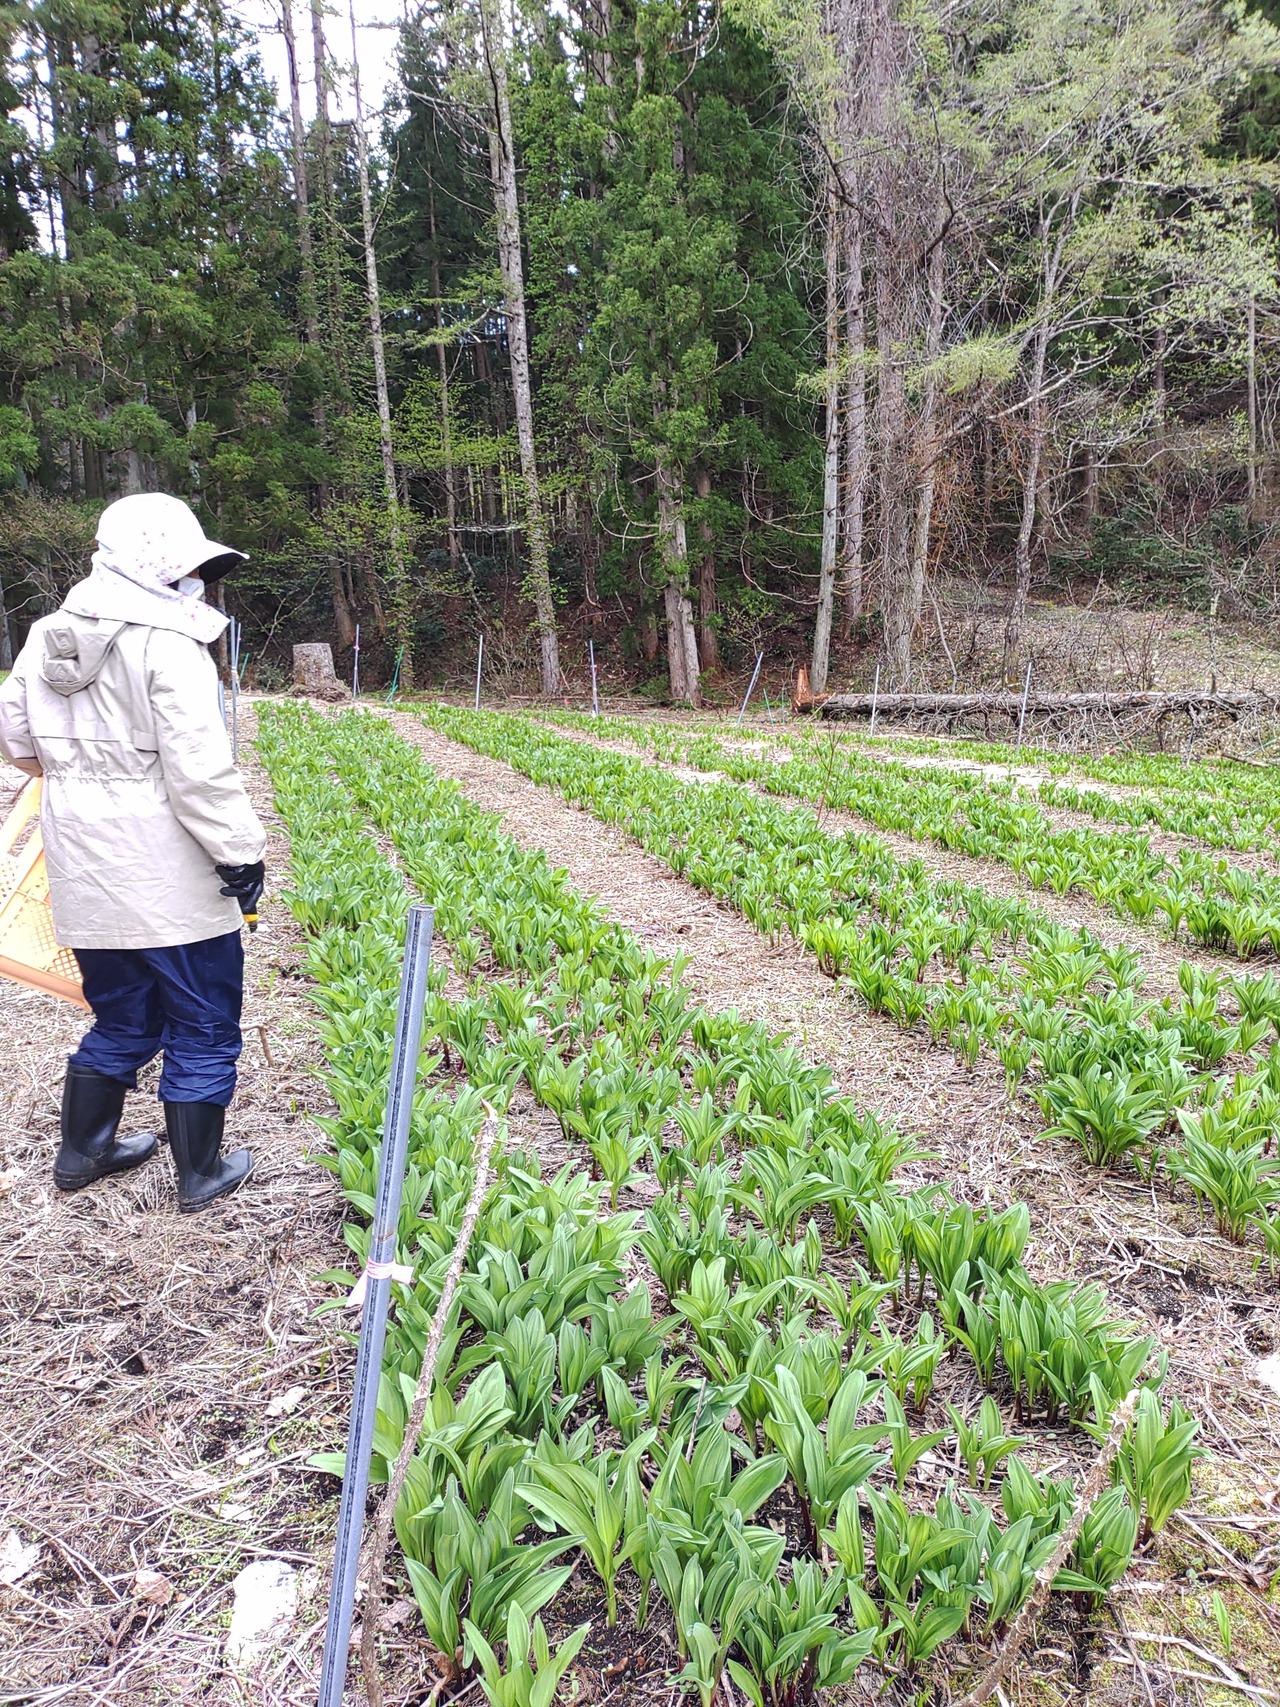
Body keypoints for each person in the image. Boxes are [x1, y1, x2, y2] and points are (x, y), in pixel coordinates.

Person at [0, 493, 266, 1212]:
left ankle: (83, 1152)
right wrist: (242, 855)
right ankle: (201, 1172)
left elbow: (16, 741)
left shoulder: (46, 634)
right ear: (160, 566)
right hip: (168, 875)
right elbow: (199, 774)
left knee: (122, 1018)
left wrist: (83, 781)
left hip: (83, 865)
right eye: (186, 570)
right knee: (204, 1022)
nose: (194, 583)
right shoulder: (168, 644)